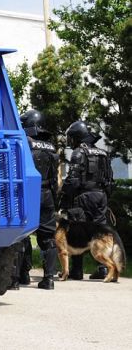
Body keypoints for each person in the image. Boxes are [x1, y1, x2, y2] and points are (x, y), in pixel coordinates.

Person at [61, 120, 114, 280]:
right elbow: (110, 180)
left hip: (83, 196)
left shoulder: (79, 153)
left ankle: (77, 270)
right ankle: (103, 268)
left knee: (78, 231)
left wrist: (63, 194)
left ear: (78, 137)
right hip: (100, 196)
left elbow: (73, 180)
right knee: (99, 232)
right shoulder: (103, 153)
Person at [19, 110, 59, 290]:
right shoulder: (51, 147)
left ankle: (22, 275)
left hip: (28, 193)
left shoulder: (25, 143)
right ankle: (49, 278)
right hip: (47, 195)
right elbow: (55, 178)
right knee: (48, 238)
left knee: (21, 235)